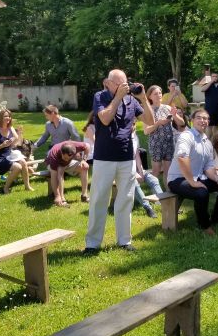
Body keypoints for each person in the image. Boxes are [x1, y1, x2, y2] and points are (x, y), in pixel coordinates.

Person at [83, 69, 153, 255]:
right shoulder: (101, 96)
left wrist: (144, 99)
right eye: (119, 84)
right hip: (104, 157)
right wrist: (117, 98)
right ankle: (92, 244)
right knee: (99, 199)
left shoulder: (132, 101)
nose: (124, 87)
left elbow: (149, 120)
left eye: (125, 83)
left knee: (126, 199)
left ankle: (124, 241)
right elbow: (105, 119)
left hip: (126, 158)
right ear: (108, 83)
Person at [167, 109, 218, 236]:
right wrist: (192, 182)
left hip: (197, 177)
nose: (203, 121)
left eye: (206, 118)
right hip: (178, 179)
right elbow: (182, 158)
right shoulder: (186, 136)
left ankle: (217, 219)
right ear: (192, 120)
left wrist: (217, 179)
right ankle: (204, 225)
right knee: (201, 192)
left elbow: (208, 167)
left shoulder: (207, 142)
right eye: (199, 117)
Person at [143, 85, 184, 187]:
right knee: (156, 172)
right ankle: (156, 195)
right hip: (156, 144)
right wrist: (158, 123)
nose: (159, 95)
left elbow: (182, 123)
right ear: (150, 96)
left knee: (168, 171)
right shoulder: (148, 110)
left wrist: (174, 115)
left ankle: (168, 195)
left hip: (169, 144)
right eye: (155, 94)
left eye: (160, 93)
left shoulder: (168, 108)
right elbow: (146, 131)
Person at [0, 109, 34, 193]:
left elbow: (17, 142)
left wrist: (19, 133)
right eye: (5, 116)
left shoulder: (10, 128)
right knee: (18, 167)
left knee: (23, 162)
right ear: (1, 117)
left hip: (9, 155)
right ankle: (6, 187)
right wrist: (2, 145)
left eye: (9, 116)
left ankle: (27, 186)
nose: (8, 118)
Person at [45, 141, 90, 207]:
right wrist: (57, 196)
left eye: (69, 158)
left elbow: (87, 146)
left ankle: (84, 196)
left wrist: (83, 160)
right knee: (60, 171)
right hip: (52, 163)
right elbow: (54, 177)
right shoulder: (54, 156)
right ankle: (62, 198)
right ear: (62, 153)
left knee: (85, 167)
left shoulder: (77, 146)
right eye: (65, 158)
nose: (66, 159)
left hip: (66, 164)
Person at [132, 129, 160, 218]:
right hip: (124, 170)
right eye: (131, 124)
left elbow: (137, 155)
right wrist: (135, 173)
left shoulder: (135, 137)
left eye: (134, 124)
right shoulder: (120, 138)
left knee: (154, 180)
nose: (133, 127)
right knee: (135, 184)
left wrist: (141, 171)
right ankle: (148, 208)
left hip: (136, 169)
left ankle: (164, 202)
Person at [201, 70, 218, 139]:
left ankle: (213, 145)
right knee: (208, 127)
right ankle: (207, 144)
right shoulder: (208, 85)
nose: (215, 78)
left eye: (216, 76)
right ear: (211, 77)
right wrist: (211, 81)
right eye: (213, 76)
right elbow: (203, 89)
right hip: (209, 110)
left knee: (216, 127)